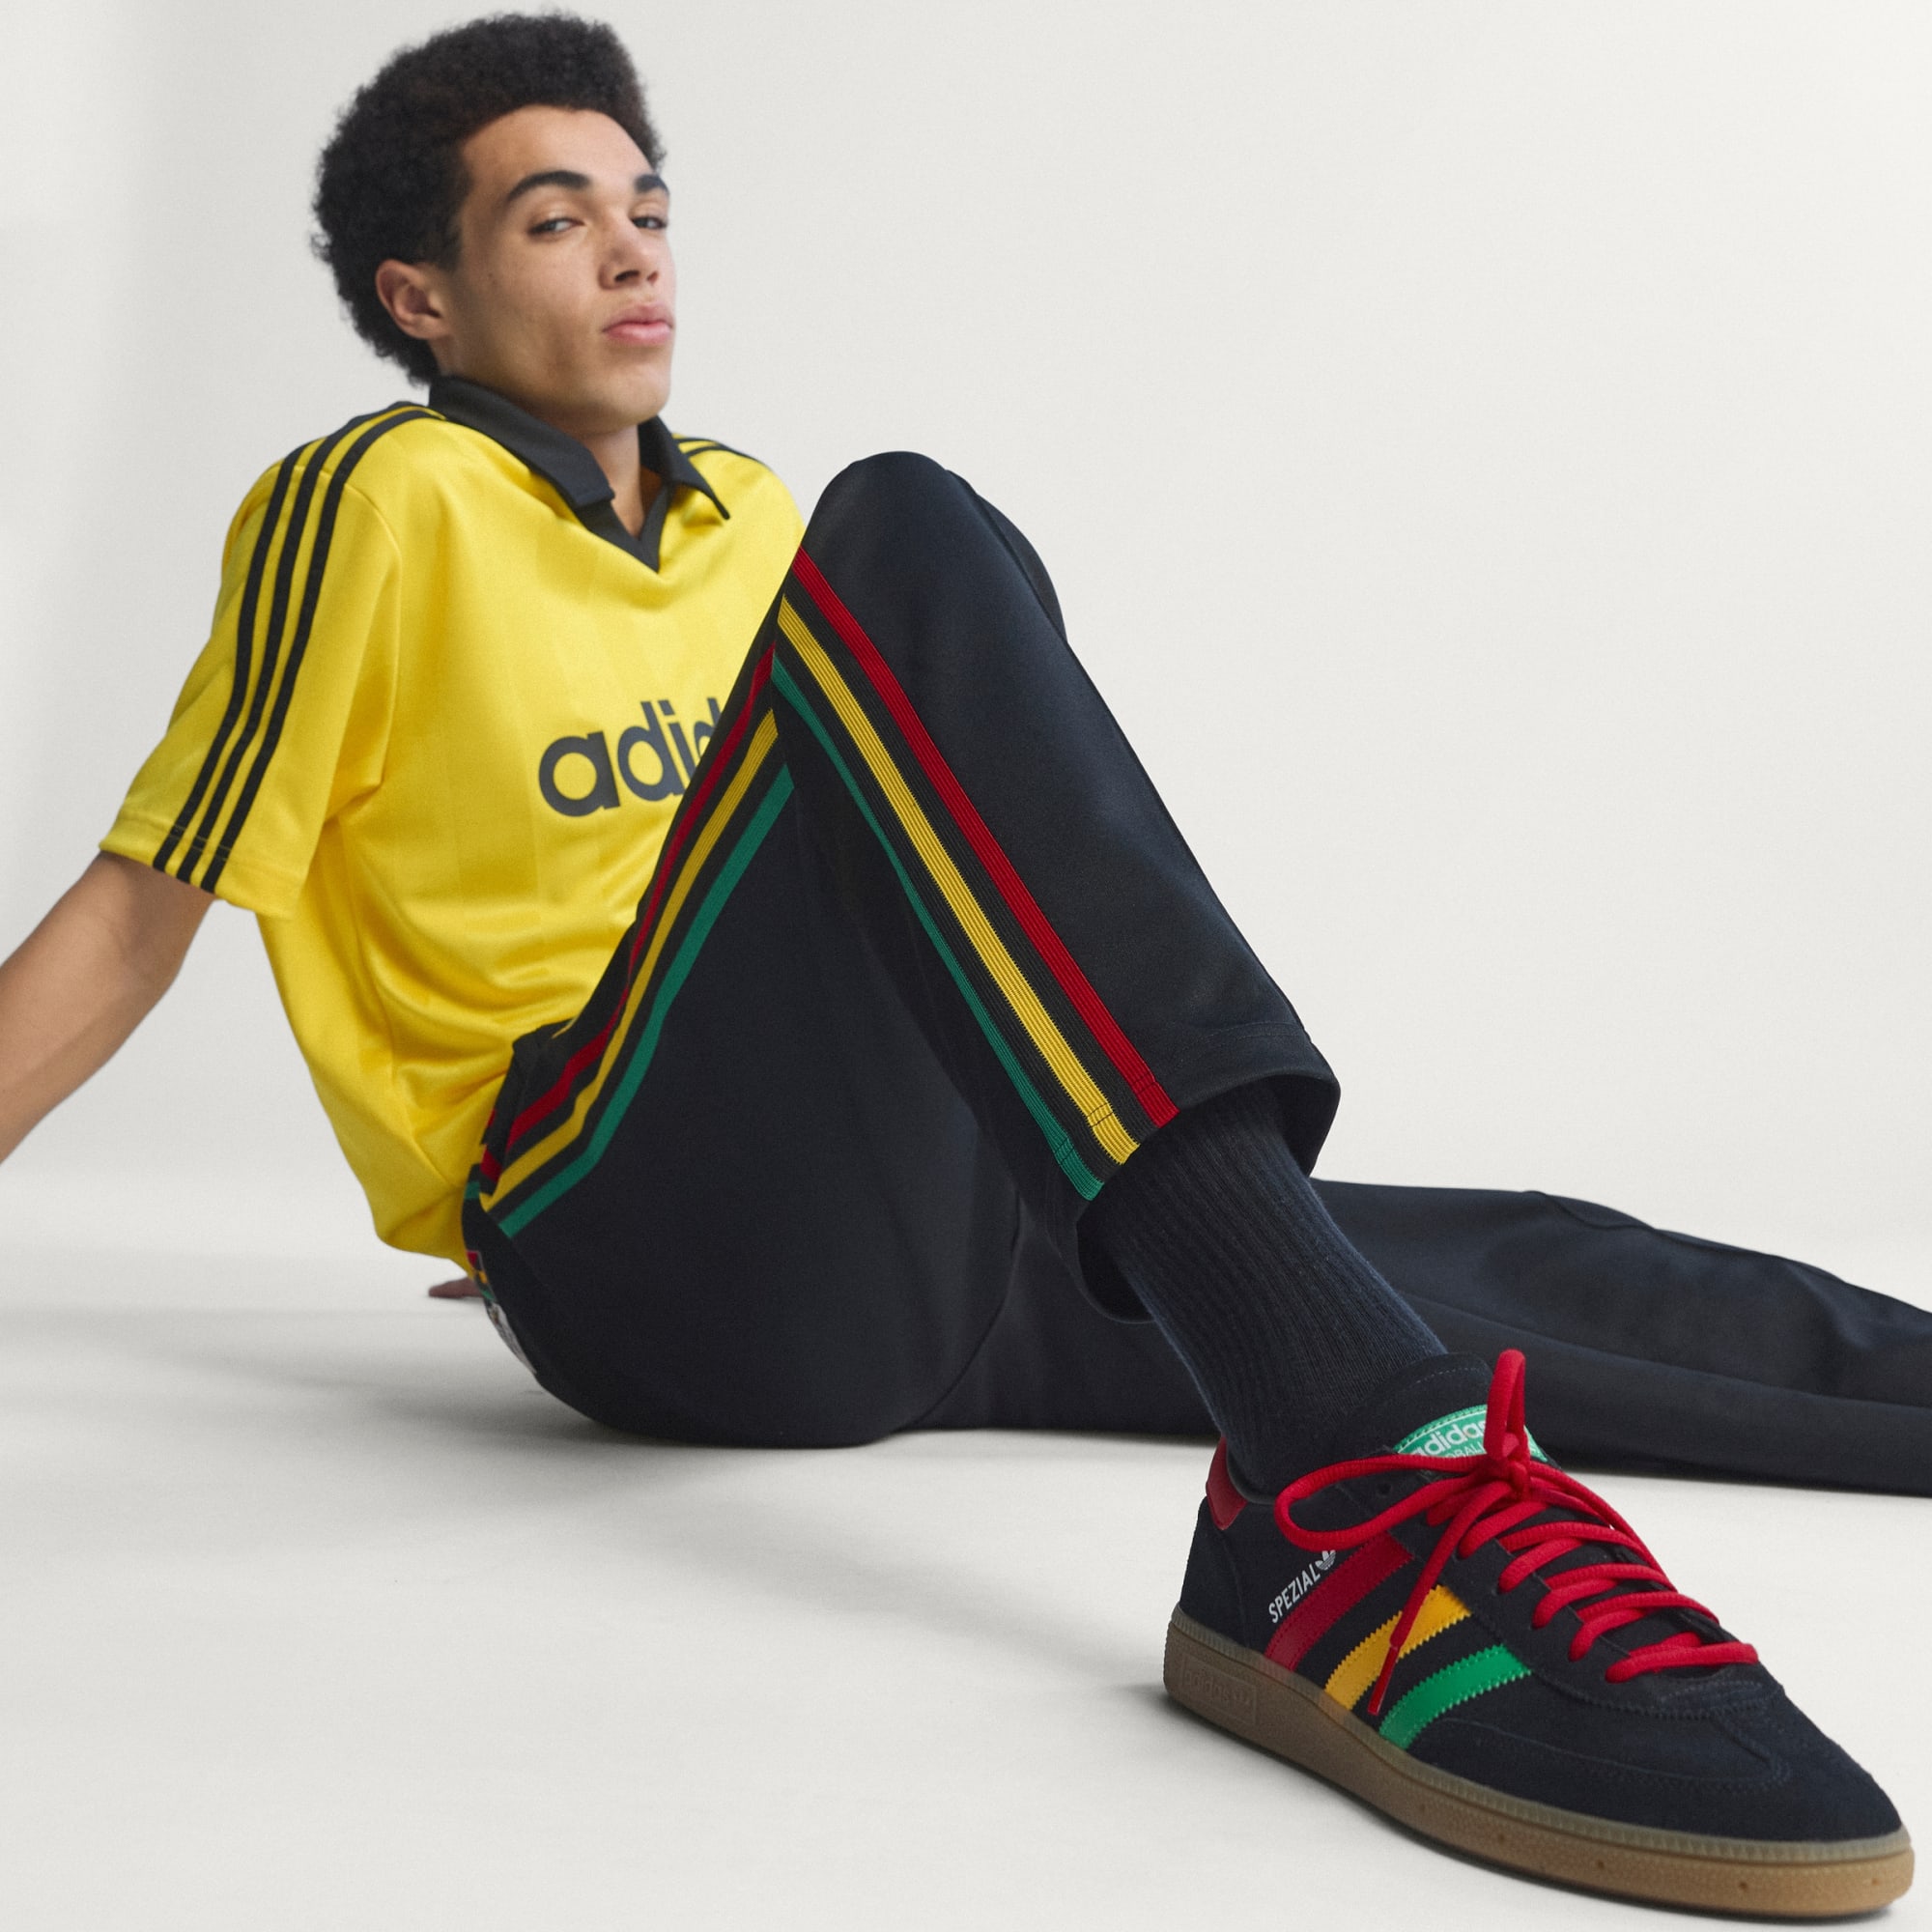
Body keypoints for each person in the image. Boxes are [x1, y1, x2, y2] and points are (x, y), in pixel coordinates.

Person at [0, 14, 1919, 1914]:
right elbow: (139, 910)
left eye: (649, 209)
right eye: (556, 219)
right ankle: (1359, 1514)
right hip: (610, 1218)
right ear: (420, 298)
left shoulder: (744, 516)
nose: (633, 251)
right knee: (911, 528)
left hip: (872, 1209)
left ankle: (1351, 1428)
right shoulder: (376, 500)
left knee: (1517, 1279)